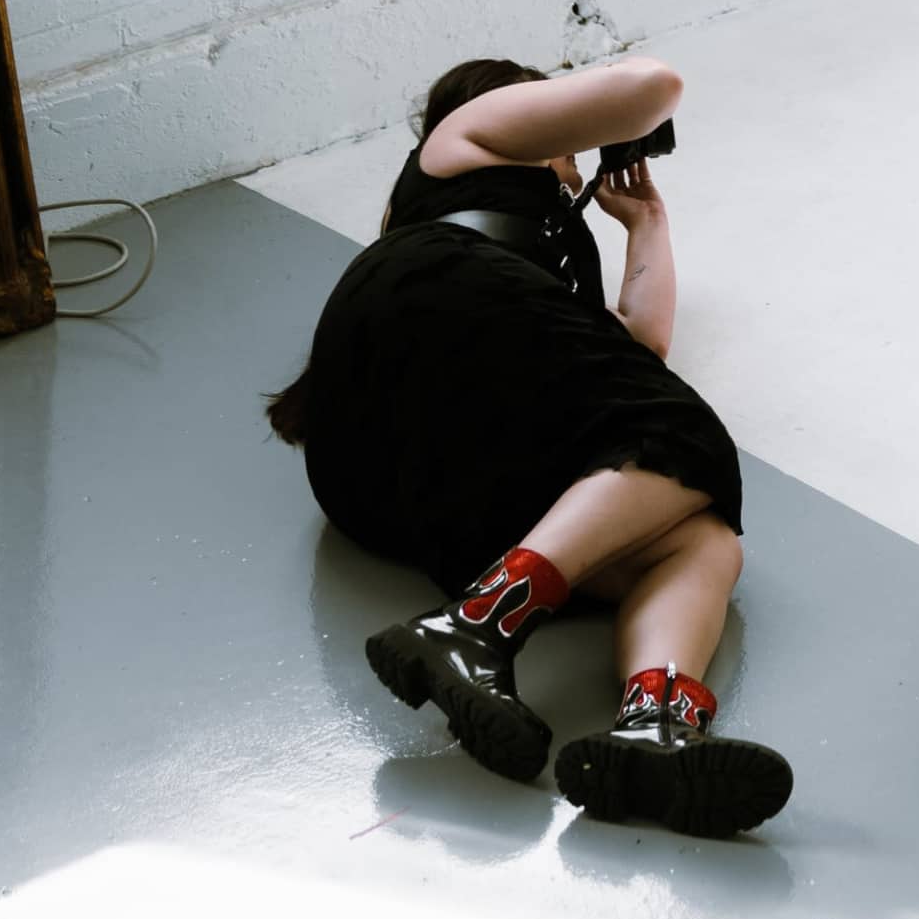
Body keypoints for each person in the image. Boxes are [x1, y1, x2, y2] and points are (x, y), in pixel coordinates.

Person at [265, 54, 791, 839]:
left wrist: (647, 221)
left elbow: (641, 347)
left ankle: (656, 725)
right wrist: (614, 119)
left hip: (380, 480)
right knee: (685, 436)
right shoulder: (460, 140)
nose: (574, 158)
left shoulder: (538, 283)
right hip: (423, 311)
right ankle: (473, 627)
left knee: (702, 539)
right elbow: (656, 84)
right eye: (564, 135)